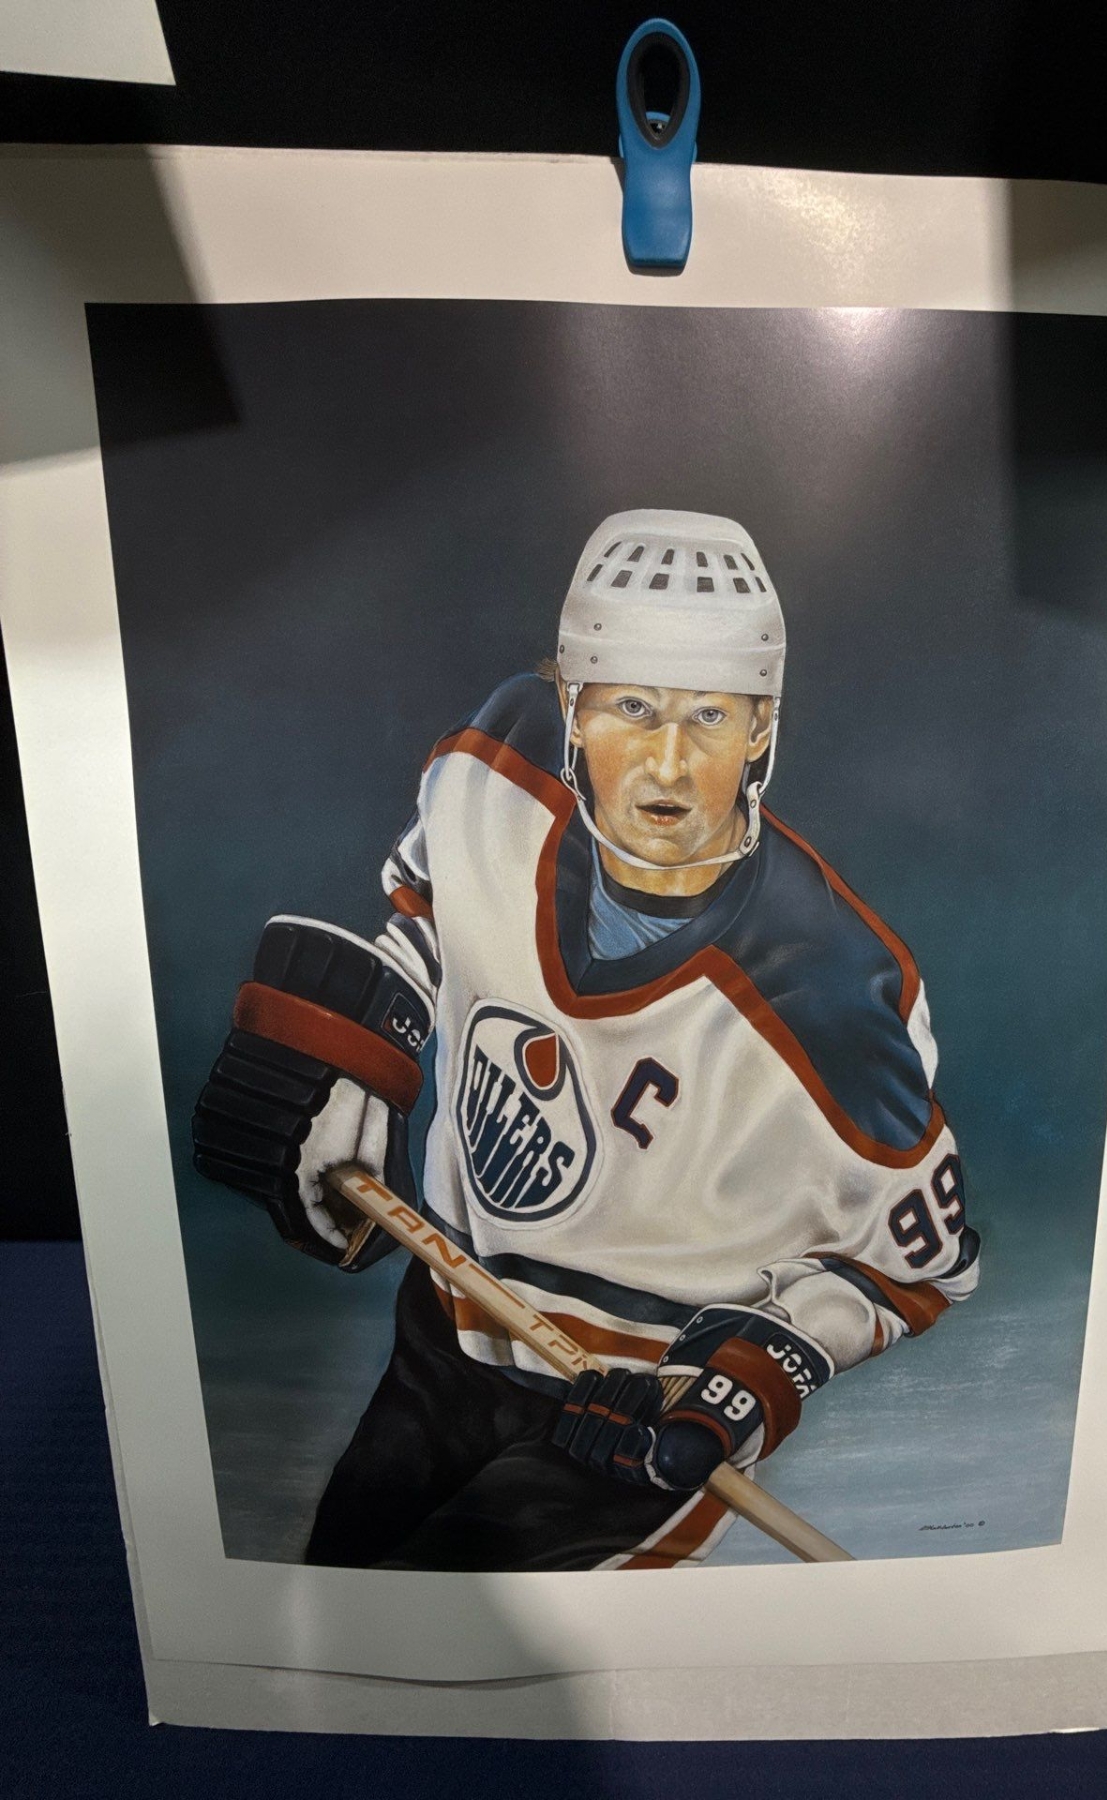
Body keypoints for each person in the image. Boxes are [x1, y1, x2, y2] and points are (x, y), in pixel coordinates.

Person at [192, 509, 981, 1571]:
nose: (668, 763)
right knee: (337, 1598)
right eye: (633, 709)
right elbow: (432, 913)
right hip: (446, 1340)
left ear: (762, 728)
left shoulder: (834, 998)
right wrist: (363, 1051)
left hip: (630, 1423)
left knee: (461, 1642)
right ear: (570, 706)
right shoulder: (497, 762)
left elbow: (918, 1273)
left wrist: (738, 1390)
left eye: (710, 715)